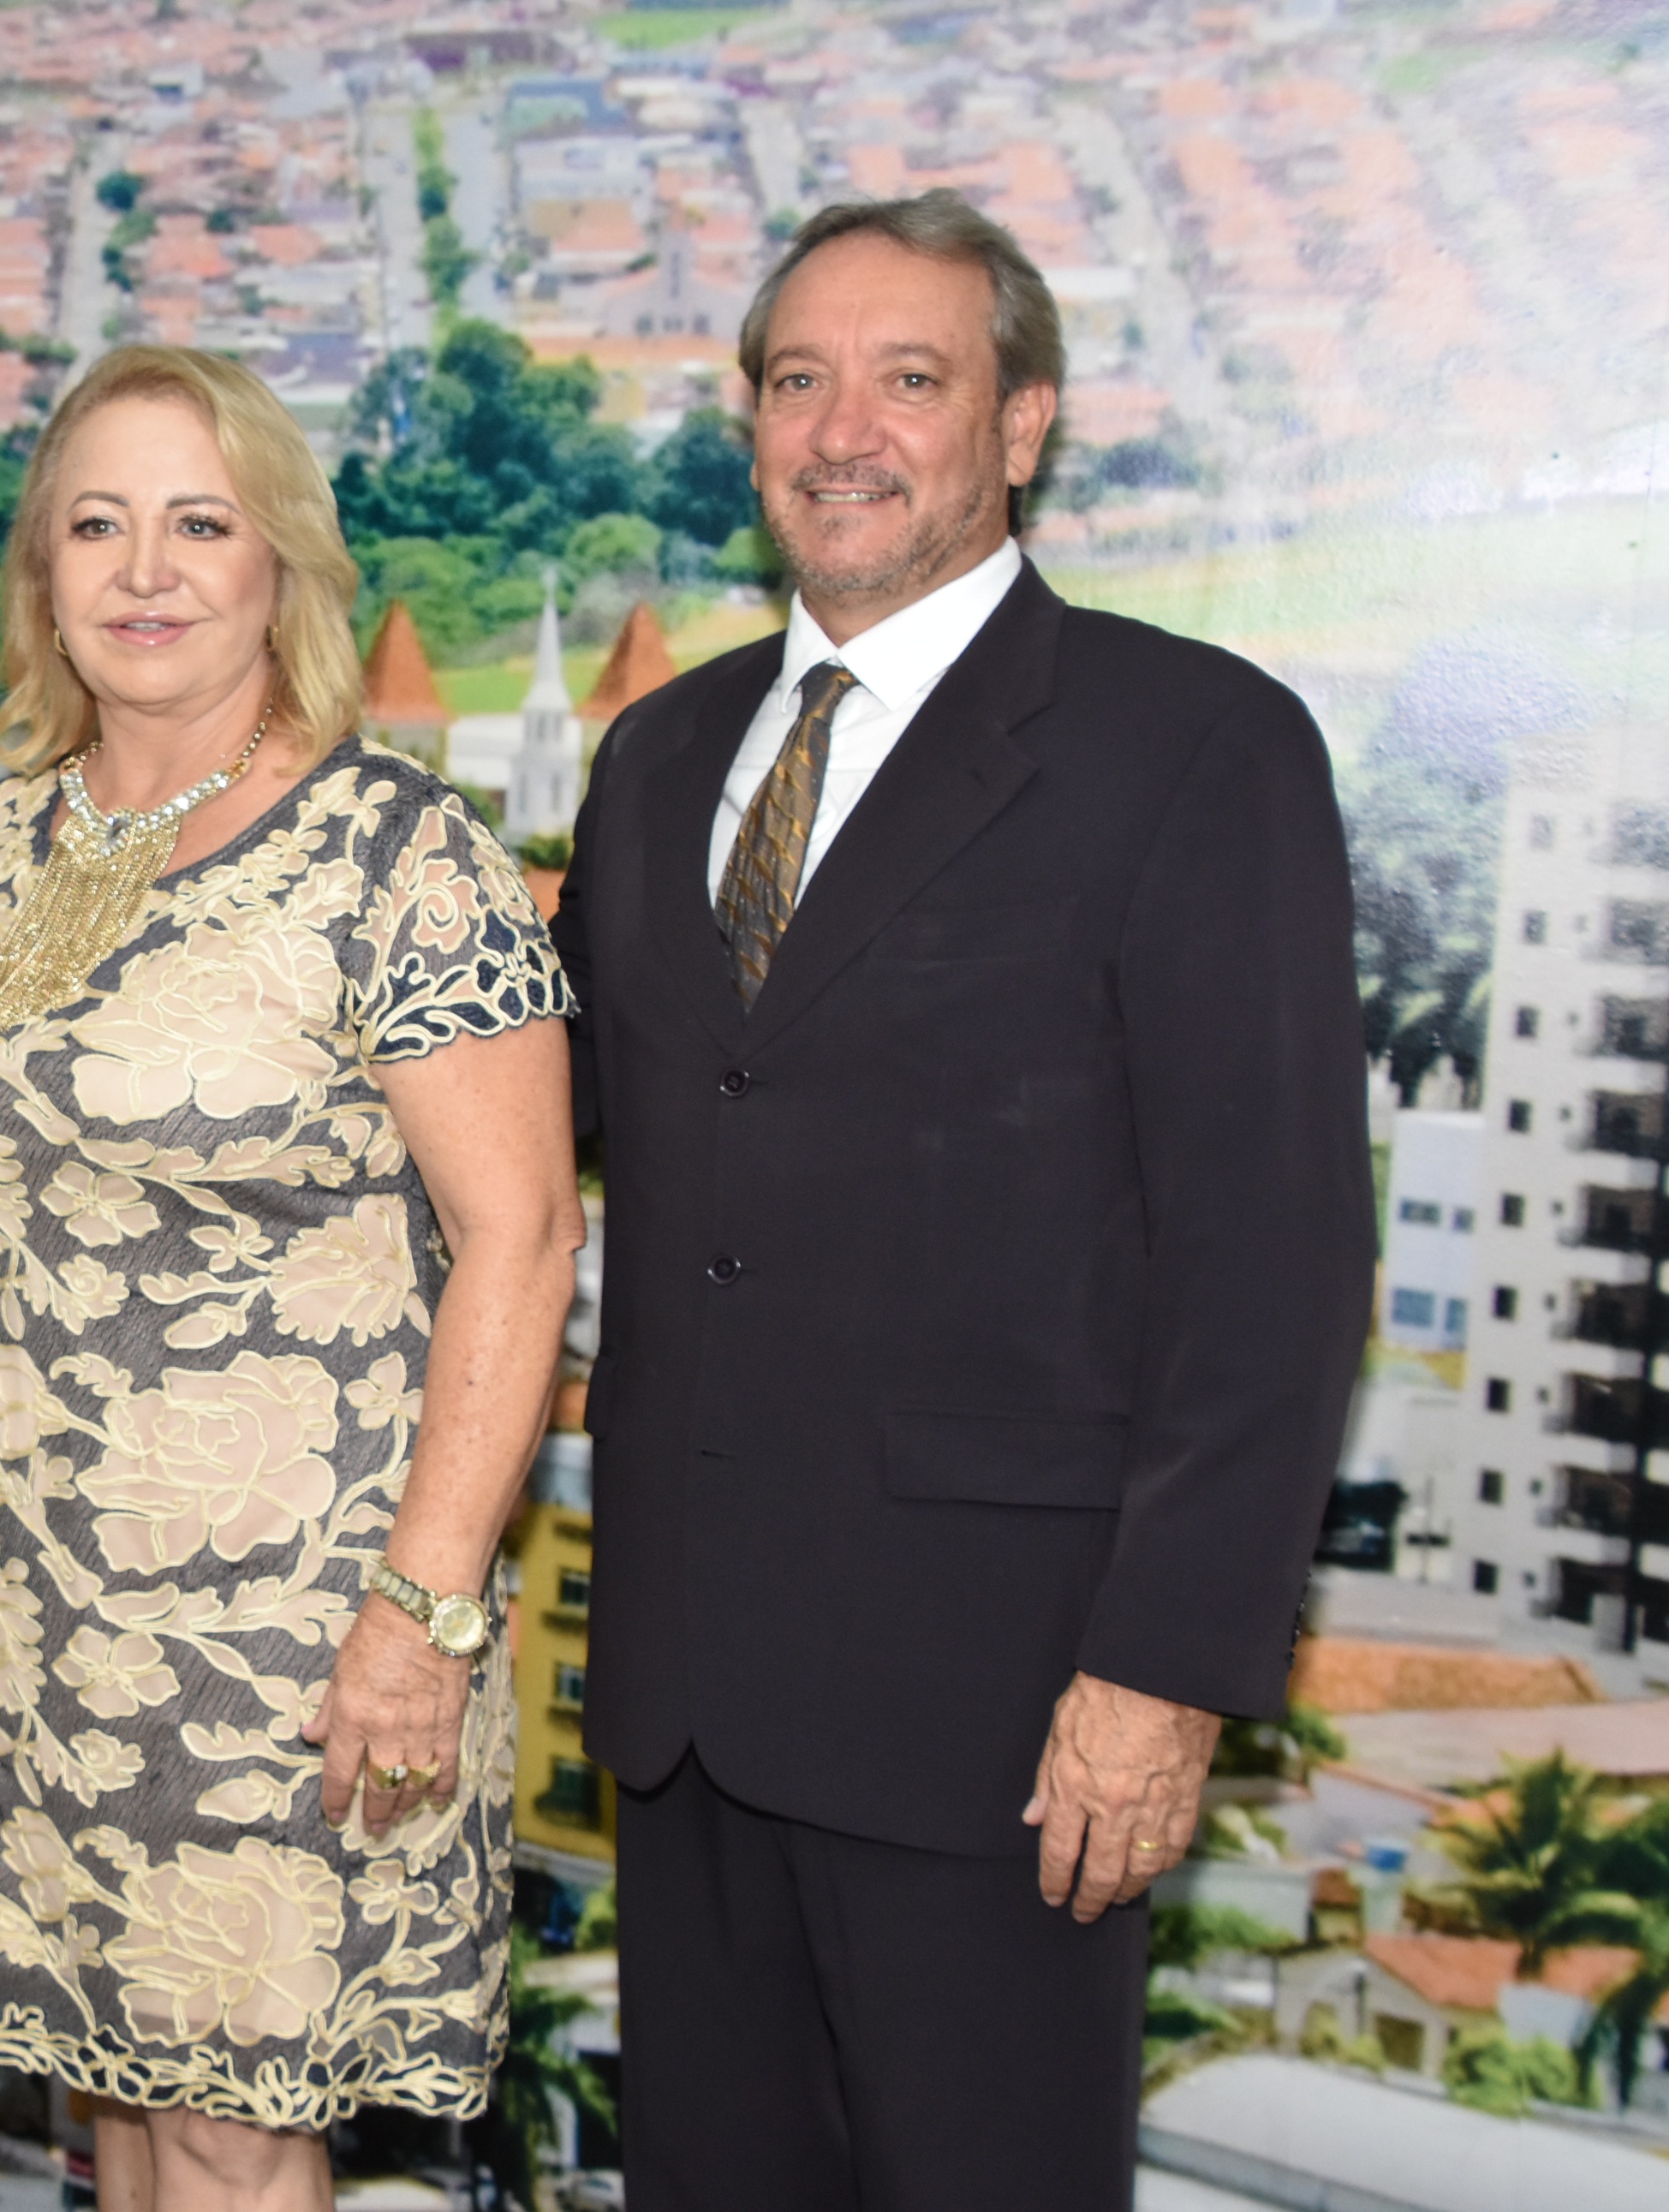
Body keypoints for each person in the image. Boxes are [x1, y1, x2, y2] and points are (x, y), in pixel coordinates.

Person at [547, 190, 1373, 2209]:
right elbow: (551, 1139)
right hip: (685, 1704)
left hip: (1006, 1722)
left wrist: (1164, 1669)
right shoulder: (655, 759)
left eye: (908, 378)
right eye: (797, 381)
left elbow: (1272, 1258)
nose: (843, 430)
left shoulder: (1193, 746)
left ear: (1019, 424)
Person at [0, 345, 582, 2212]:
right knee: (117, 2110)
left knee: (225, 2130)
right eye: (96, 525)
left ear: (282, 561)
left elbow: (525, 1239)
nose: (145, 570)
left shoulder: (401, 852)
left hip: (294, 1635)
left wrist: (422, 1617)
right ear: (41, 572)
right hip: (30, 1617)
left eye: (200, 523)